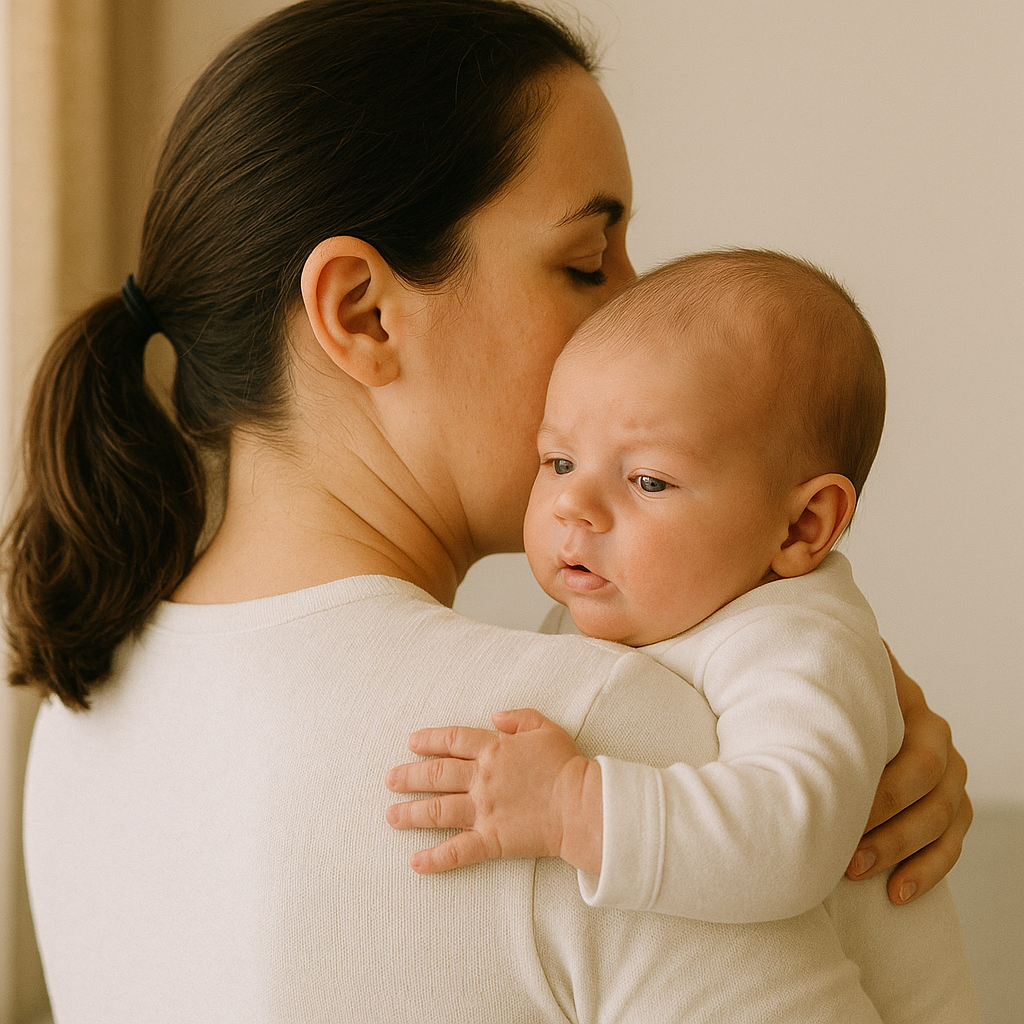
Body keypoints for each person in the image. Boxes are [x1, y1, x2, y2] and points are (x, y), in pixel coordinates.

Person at [3, 2, 971, 1021]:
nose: (641, 317)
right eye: (588, 264)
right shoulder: (590, 747)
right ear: (363, 312)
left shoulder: (83, 711)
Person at [381, 252, 974, 945]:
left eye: (649, 481)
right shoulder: (634, 609)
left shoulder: (798, 644)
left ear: (803, 525)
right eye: (559, 462)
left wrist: (571, 805)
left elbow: (787, 840)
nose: (573, 504)